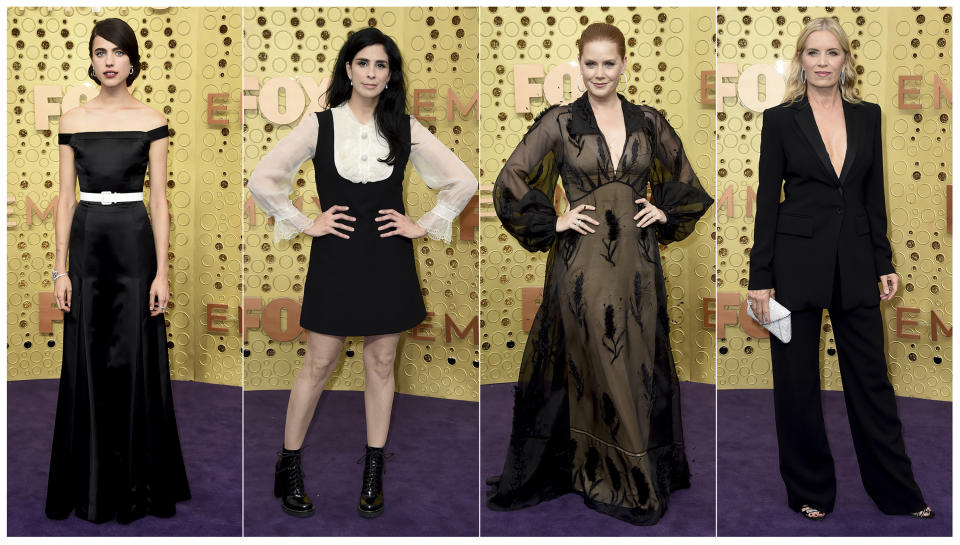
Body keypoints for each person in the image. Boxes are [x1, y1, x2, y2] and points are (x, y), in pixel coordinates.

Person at [486, 23, 713, 525]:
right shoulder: (561, 121)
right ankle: (623, 477)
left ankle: (624, 466)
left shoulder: (649, 122)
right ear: (579, 64)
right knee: (599, 360)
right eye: (591, 63)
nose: (599, 73)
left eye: (609, 63)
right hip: (582, 265)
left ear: (624, 65)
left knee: (634, 364)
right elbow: (511, 180)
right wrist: (558, 218)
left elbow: (684, 182)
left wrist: (664, 212)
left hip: (638, 265)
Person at [247, 27, 477, 519]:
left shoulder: (404, 127)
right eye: (364, 64)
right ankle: (288, 465)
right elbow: (263, 178)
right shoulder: (319, 125)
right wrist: (307, 222)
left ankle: (374, 470)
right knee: (319, 362)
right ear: (348, 69)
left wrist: (425, 224)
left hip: (388, 257)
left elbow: (463, 179)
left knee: (380, 364)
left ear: (389, 75)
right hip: (337, 256)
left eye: (382, 66)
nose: (372, 73)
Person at [747, 17, 933, 522]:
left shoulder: (869, 115)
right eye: (813, 53)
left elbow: (872, 196)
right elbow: (768, 202)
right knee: (796, 383)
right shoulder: (780, 120)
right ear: (800, 60)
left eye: (832, 52)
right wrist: (759, 277)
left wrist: (883, 260)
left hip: (854, 264)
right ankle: (810, 489)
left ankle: (897, 491)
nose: (823, 62)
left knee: (871, 380)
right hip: (792, 267)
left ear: (846, 59)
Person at [46, 18, 190, 523]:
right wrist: (59, 271)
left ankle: (140, 483)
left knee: (133, 358)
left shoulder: (152, 117)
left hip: (134, 242)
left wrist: (162, 274)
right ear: (91, 59)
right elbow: (65, 198)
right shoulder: (71, 120)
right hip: (87, 242)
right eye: (100, 52)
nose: (109, 61)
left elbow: (161, 200)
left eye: (118, 52)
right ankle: (86, 479)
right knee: (86, 356)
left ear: (132, 60)